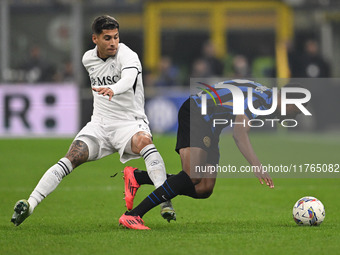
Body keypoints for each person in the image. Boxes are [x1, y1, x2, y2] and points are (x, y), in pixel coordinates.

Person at [10, 15, 176, 226]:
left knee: (145, 142)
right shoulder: (88, 59)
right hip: (99, 125)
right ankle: (30, 204)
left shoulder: (128, 55)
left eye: (116, 37)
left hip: (129, 123)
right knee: (72, 156)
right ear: (95, 39)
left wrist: (113, 89)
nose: (113, 43)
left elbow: (128, 80)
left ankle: (164, 201)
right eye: (107, 38)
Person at [118, 79, 306, 230]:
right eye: (295, 111)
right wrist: (257, 165)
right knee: (192, 175)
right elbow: (239, 134)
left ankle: (137, 177)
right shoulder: (263, 100)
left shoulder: (266, 97)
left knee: (204, 188)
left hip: (211, 125)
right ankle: (133, 215)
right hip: (197, 112)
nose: (294, 117)